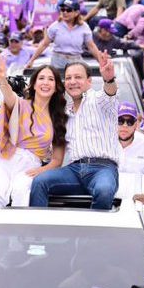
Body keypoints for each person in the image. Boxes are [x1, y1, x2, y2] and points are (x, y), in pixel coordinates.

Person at [30, 56, 120, 209]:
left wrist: (109, 79)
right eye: (68, 78)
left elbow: (110, 94)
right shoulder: (64, 112)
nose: (72, 81)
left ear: (89, 81)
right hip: (74, 171)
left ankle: (91, 233)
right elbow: (51, 151)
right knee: (40, 182)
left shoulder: (99, 99)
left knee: (104, 191)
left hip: (103, 169)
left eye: (78, 77)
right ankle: (38, 231)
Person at [0, 63, 67, 207]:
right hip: (3, 161)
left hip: (30, 165)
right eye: (41, 78)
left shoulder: (59, 118)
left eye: (51, 79)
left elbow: (57, 160)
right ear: (33, 84)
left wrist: (41, 170)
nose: (45, 82)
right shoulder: (20, 105)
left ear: (56, 86)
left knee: (21, 195)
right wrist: (2, 80)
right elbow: (9, 95)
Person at [26, 0, 103, 70]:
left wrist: (101, 62)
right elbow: (44, 44)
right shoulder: (55, 26)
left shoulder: (84, 27)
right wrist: (31, 60)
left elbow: (91, 46)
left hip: (76, 60)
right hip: (58, 60)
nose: (65, 12)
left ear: (76, 13)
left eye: (68, 10)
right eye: (63, 10)